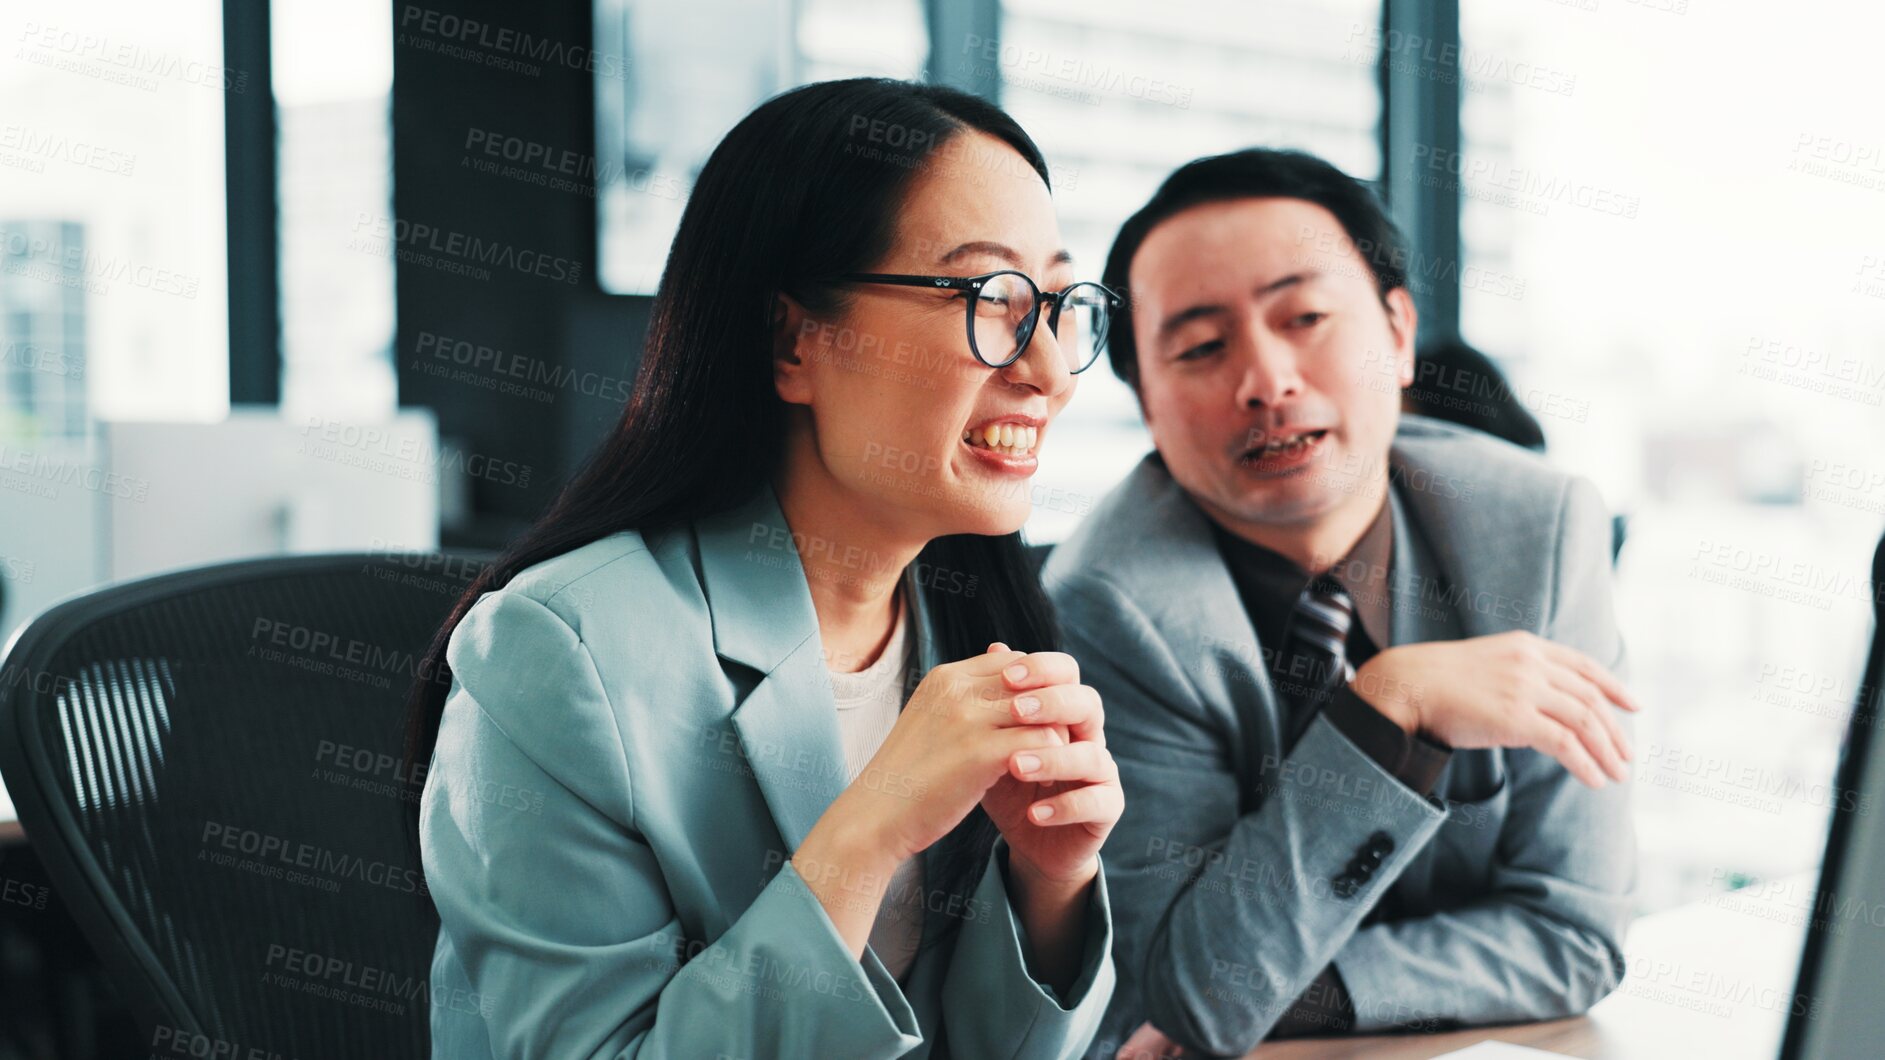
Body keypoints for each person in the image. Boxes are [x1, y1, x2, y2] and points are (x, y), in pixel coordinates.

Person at [407, 78, 1127, 1059]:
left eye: (1055, 303)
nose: (1045, 367)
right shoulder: (557, 651)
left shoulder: (972, 620)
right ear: (795, 340)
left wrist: (1050, 885)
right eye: (989, 298)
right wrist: (864, 833)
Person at [1042, 148, 1638, 1058]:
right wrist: (1389, 708)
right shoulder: (1109, 605)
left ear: (1397, 334)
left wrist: (1291, 991)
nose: (1267, 382)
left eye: (1306, 317)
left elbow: (1574, 935)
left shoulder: (1540, 531)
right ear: (1146, 406)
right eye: (1202, 347)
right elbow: (1187, 996)